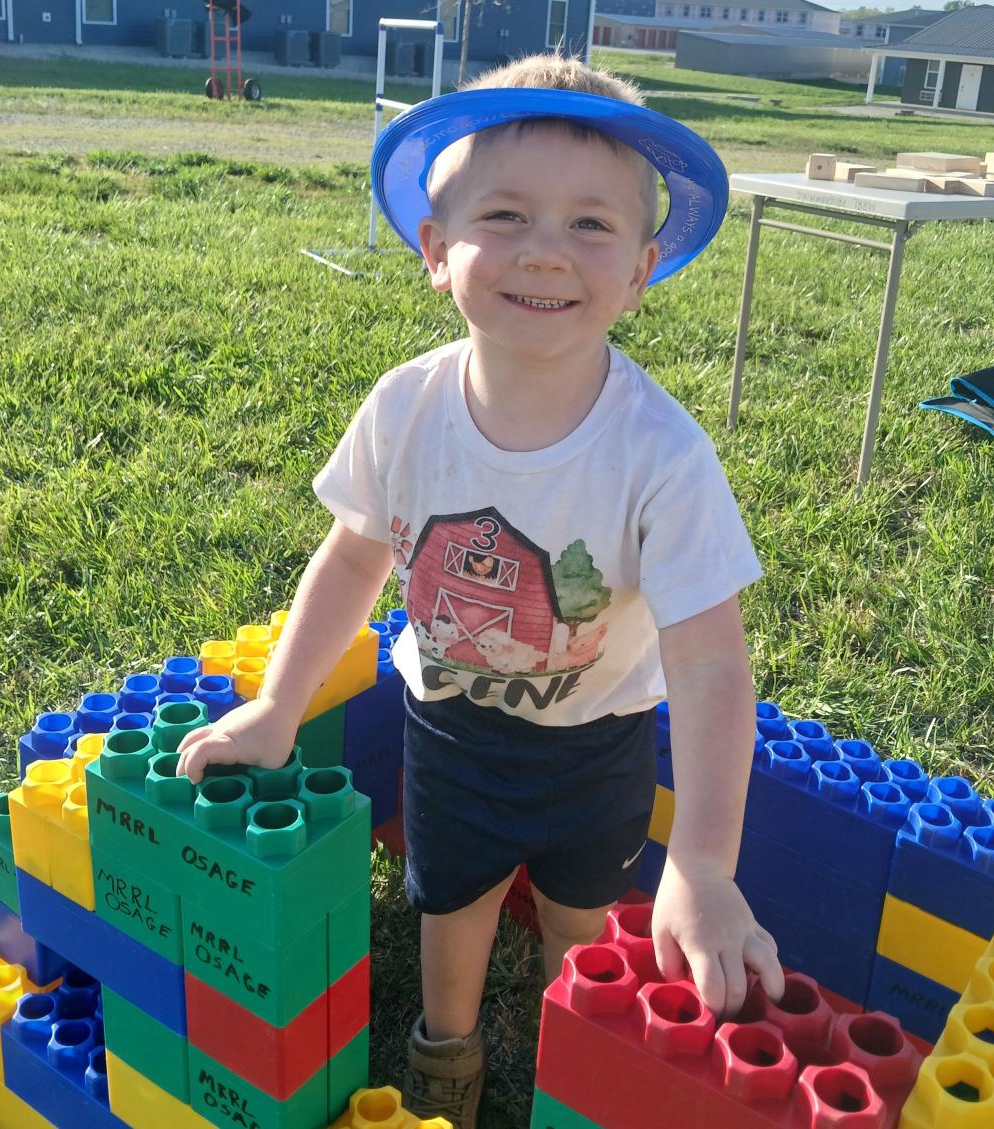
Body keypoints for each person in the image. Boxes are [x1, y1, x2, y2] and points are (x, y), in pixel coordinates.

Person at [176, 53, 784, 1129]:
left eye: (591, 226)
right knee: (446, 900)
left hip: (594, 739)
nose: (546, 249)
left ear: (642, 270)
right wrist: (277, 707)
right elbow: (353, 561)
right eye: (504, 214)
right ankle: (446, 1051)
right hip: (449, 723)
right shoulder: (407, 407)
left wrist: (703, 859)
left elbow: (708, 659)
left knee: (580, 918)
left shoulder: (662, 458)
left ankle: (571, 1057)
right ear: (434, 250)